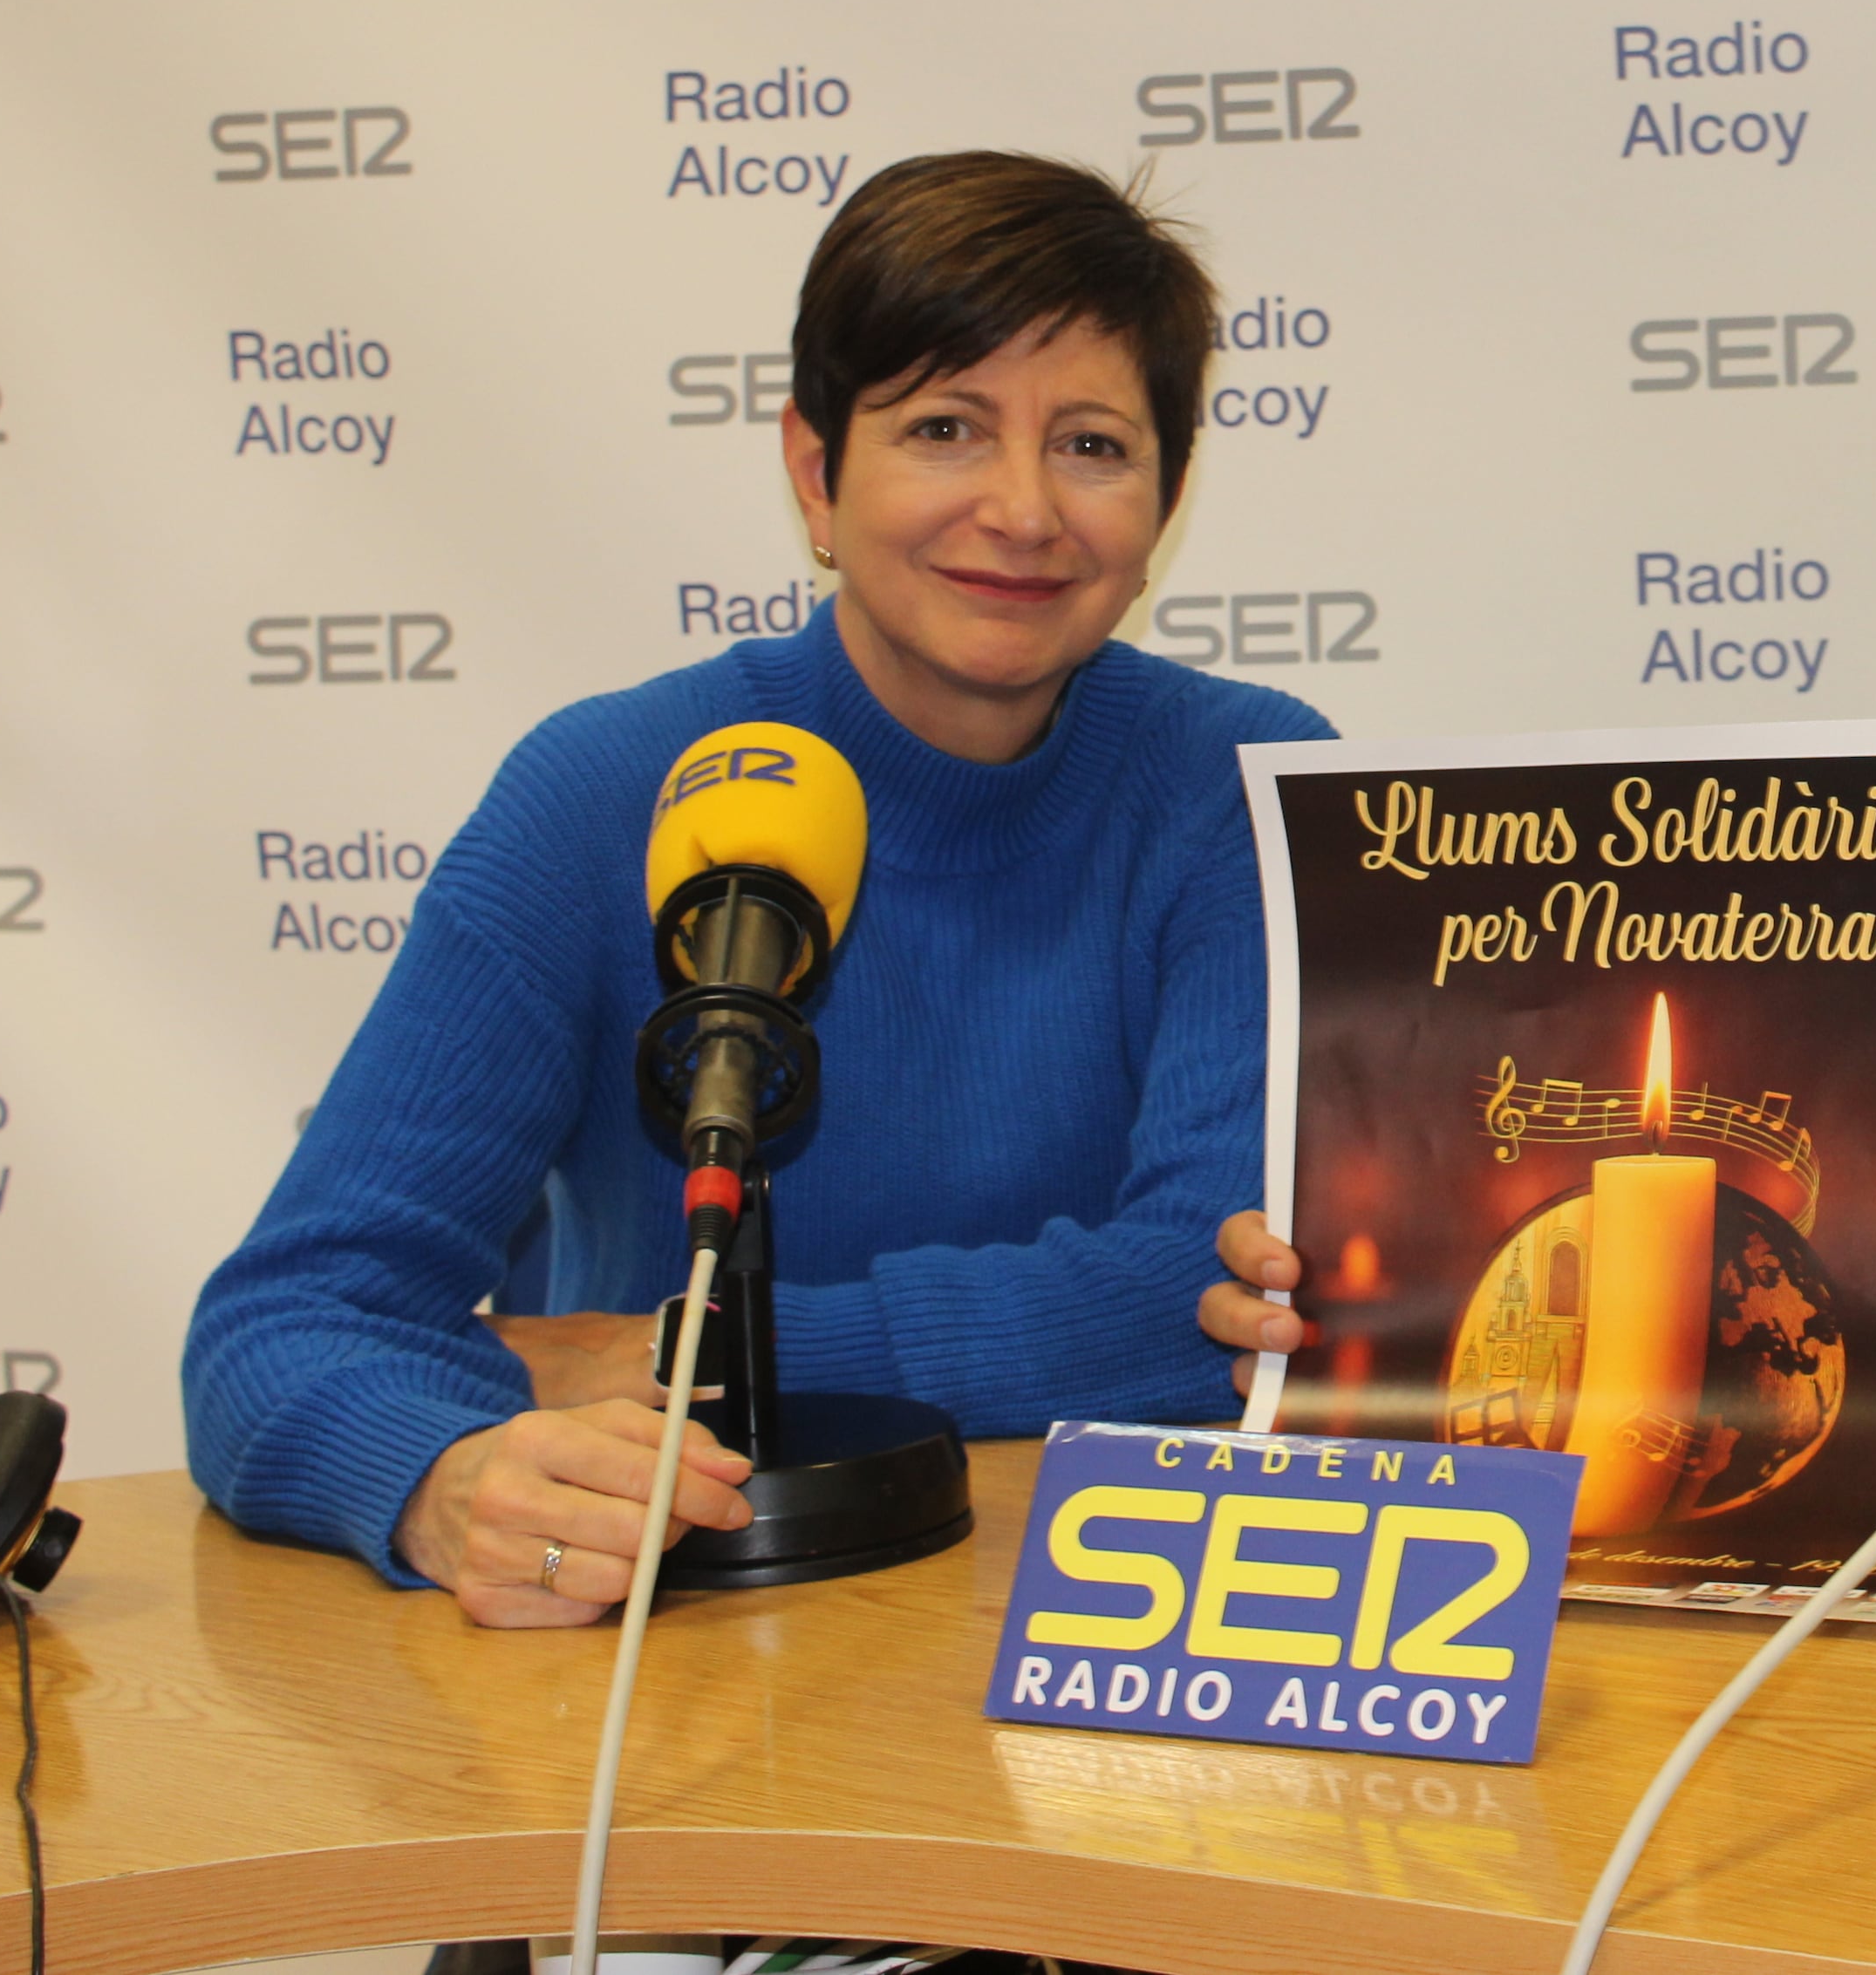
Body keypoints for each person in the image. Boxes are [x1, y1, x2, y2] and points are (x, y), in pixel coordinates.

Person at [188, 153, 1332, 1623]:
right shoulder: (603, 791)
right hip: (673, 1654)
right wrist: (438, 1476)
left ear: (1167, 494)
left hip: (1097, 1634)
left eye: (1095, 444)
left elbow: (1221, 1303)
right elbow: (284, 1321)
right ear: (814, 470)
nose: (1024, 507)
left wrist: (676, 1353)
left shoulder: (1245, 785)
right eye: (944, 426)